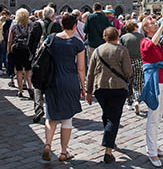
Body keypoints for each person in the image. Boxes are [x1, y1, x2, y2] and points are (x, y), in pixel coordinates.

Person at [41, 14, 85, 162]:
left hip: (52, 80)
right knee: (67, 119)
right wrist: (83, 86)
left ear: (61, 25)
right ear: (74, 26)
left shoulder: (51, 38)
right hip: (69, 81)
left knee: (51, 115)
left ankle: (47, 144)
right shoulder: (77, 43)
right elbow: (81, 68)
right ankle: (63, 152)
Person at [86, 27, 132, 164]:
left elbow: (90, 72)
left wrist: (88, 91)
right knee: (113, 117)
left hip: (100, 88)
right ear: (117, 36)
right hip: (118, 88)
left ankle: (110, 138)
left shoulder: (97, 50)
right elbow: (128, 71)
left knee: (107, 114)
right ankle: (108, 150)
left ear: (104, 36)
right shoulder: (122, 50)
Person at [140, 15, 163, 168]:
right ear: (145, 28)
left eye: (155, 22)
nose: (155, 24)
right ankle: (151, 150)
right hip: (154, 82)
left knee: (159, 115)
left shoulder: (159, 43)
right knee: (153, 116)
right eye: (152, 23)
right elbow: (152, 43)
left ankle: (153, 145)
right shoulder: (145, 41)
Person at [28, 6, 62, 123]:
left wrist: (32, 56)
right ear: (52, 16)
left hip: (38, 59)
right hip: (52, 59)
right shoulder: (56, 26)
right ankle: (52, 109)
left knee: (37, 83)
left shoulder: (36, 25)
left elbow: (30, 42)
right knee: (51, 82)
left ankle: (38, 108)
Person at [7, 8, 34, 99]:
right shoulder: (30, 24)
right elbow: (32, 37)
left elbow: (9, 39)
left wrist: (9, 50)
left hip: (17, 49)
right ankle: (30, 88)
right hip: (27, 49)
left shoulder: (14, 25)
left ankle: (20, 90)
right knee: (28, 70)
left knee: (18, 71)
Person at [120, 20, 145, 114]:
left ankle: (129, 101)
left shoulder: (123, 37)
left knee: (128, 82)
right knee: (138, 82)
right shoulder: (142, 37)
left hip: (128, 61)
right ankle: (137, 100)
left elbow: (121, 50)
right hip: (139, 61)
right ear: (135, 27)